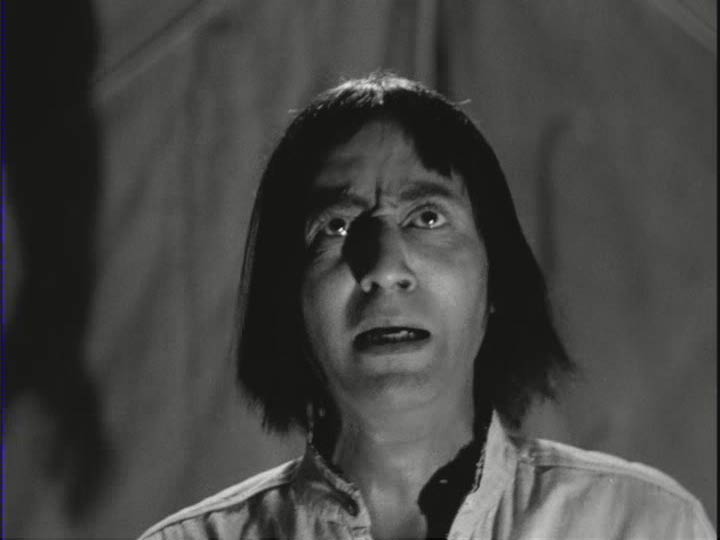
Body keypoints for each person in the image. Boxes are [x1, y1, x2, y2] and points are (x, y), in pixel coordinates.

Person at [138, 73, 714, 540]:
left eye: (428, 218)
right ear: (287, 298)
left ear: (496, 279)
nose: (385, 268)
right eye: (336, 227)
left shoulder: (643, 525)